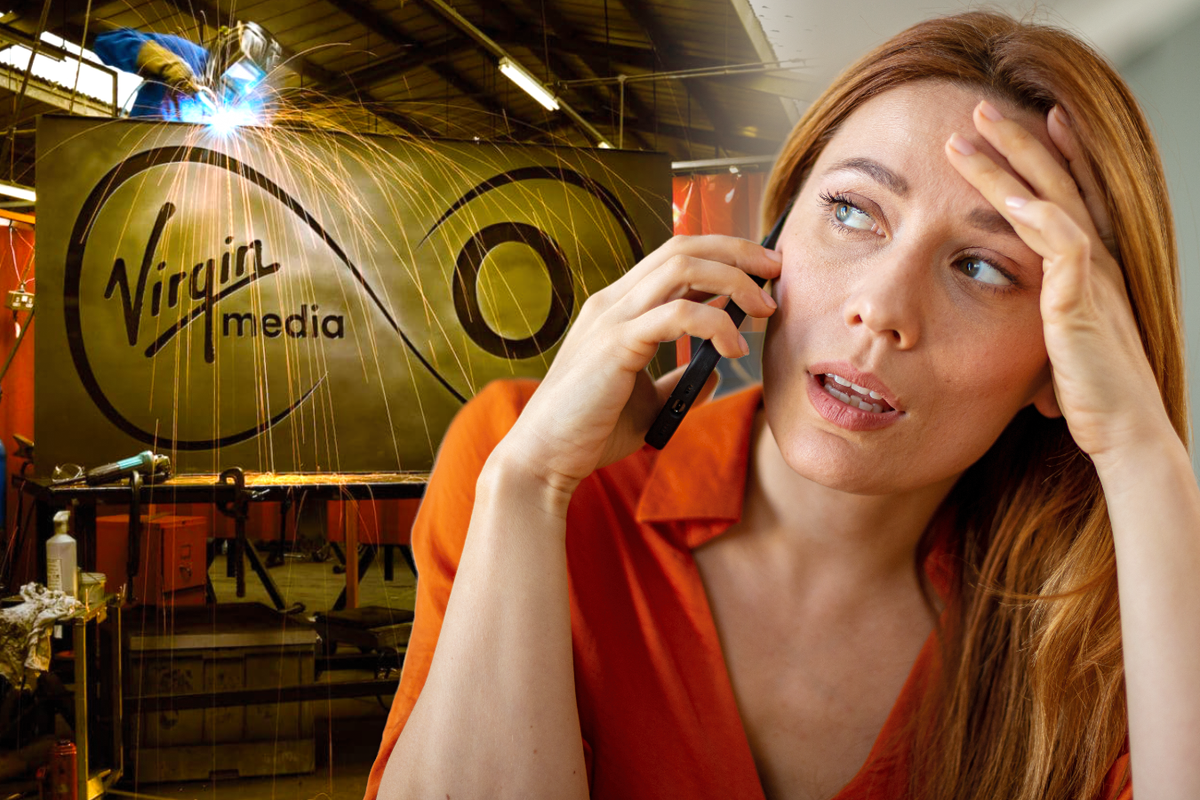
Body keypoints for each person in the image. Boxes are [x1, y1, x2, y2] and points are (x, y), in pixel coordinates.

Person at [366, 10, 1199, 800]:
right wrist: (529, 486)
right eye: (852, 211)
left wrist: (1141, 450)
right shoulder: (523, 459)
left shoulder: (1117, 630)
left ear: (1066, 356)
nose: (881, 308)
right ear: (775, 236)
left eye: (982, 267)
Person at [93, 22, 280, 121]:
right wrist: (166, 63)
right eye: (238, 71)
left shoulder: (243, 102)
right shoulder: (183, 53)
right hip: (136, 155)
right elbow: (105, 42)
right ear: (228, 55)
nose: (236, 81)